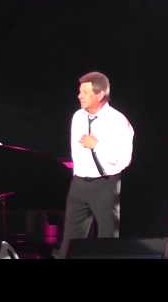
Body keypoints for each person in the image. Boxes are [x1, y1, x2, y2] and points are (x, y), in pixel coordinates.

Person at [55, 71, 134, 258]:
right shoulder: (78, 117)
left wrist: (97, 145)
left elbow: (124, 159)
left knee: (107, 239)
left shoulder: (118, 121)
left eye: (85, 92)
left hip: (105, 184)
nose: (79, 95)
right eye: (79, 91)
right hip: (79, 184)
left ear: (99, 95)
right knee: (70, 240)